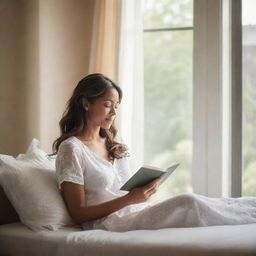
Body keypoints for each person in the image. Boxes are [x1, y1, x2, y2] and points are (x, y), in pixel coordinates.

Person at [53, 73, 256, 232]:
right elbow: (78, 213)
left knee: (211, 202)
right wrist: (130, 199)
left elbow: (124, 189)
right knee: (189, 201)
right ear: (86, 103)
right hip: (108, 222)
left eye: (116, 106)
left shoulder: (114, 142)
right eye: (107, 105)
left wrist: (143, 190)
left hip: (133, 211)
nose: (114, 113)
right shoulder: (71, 148)